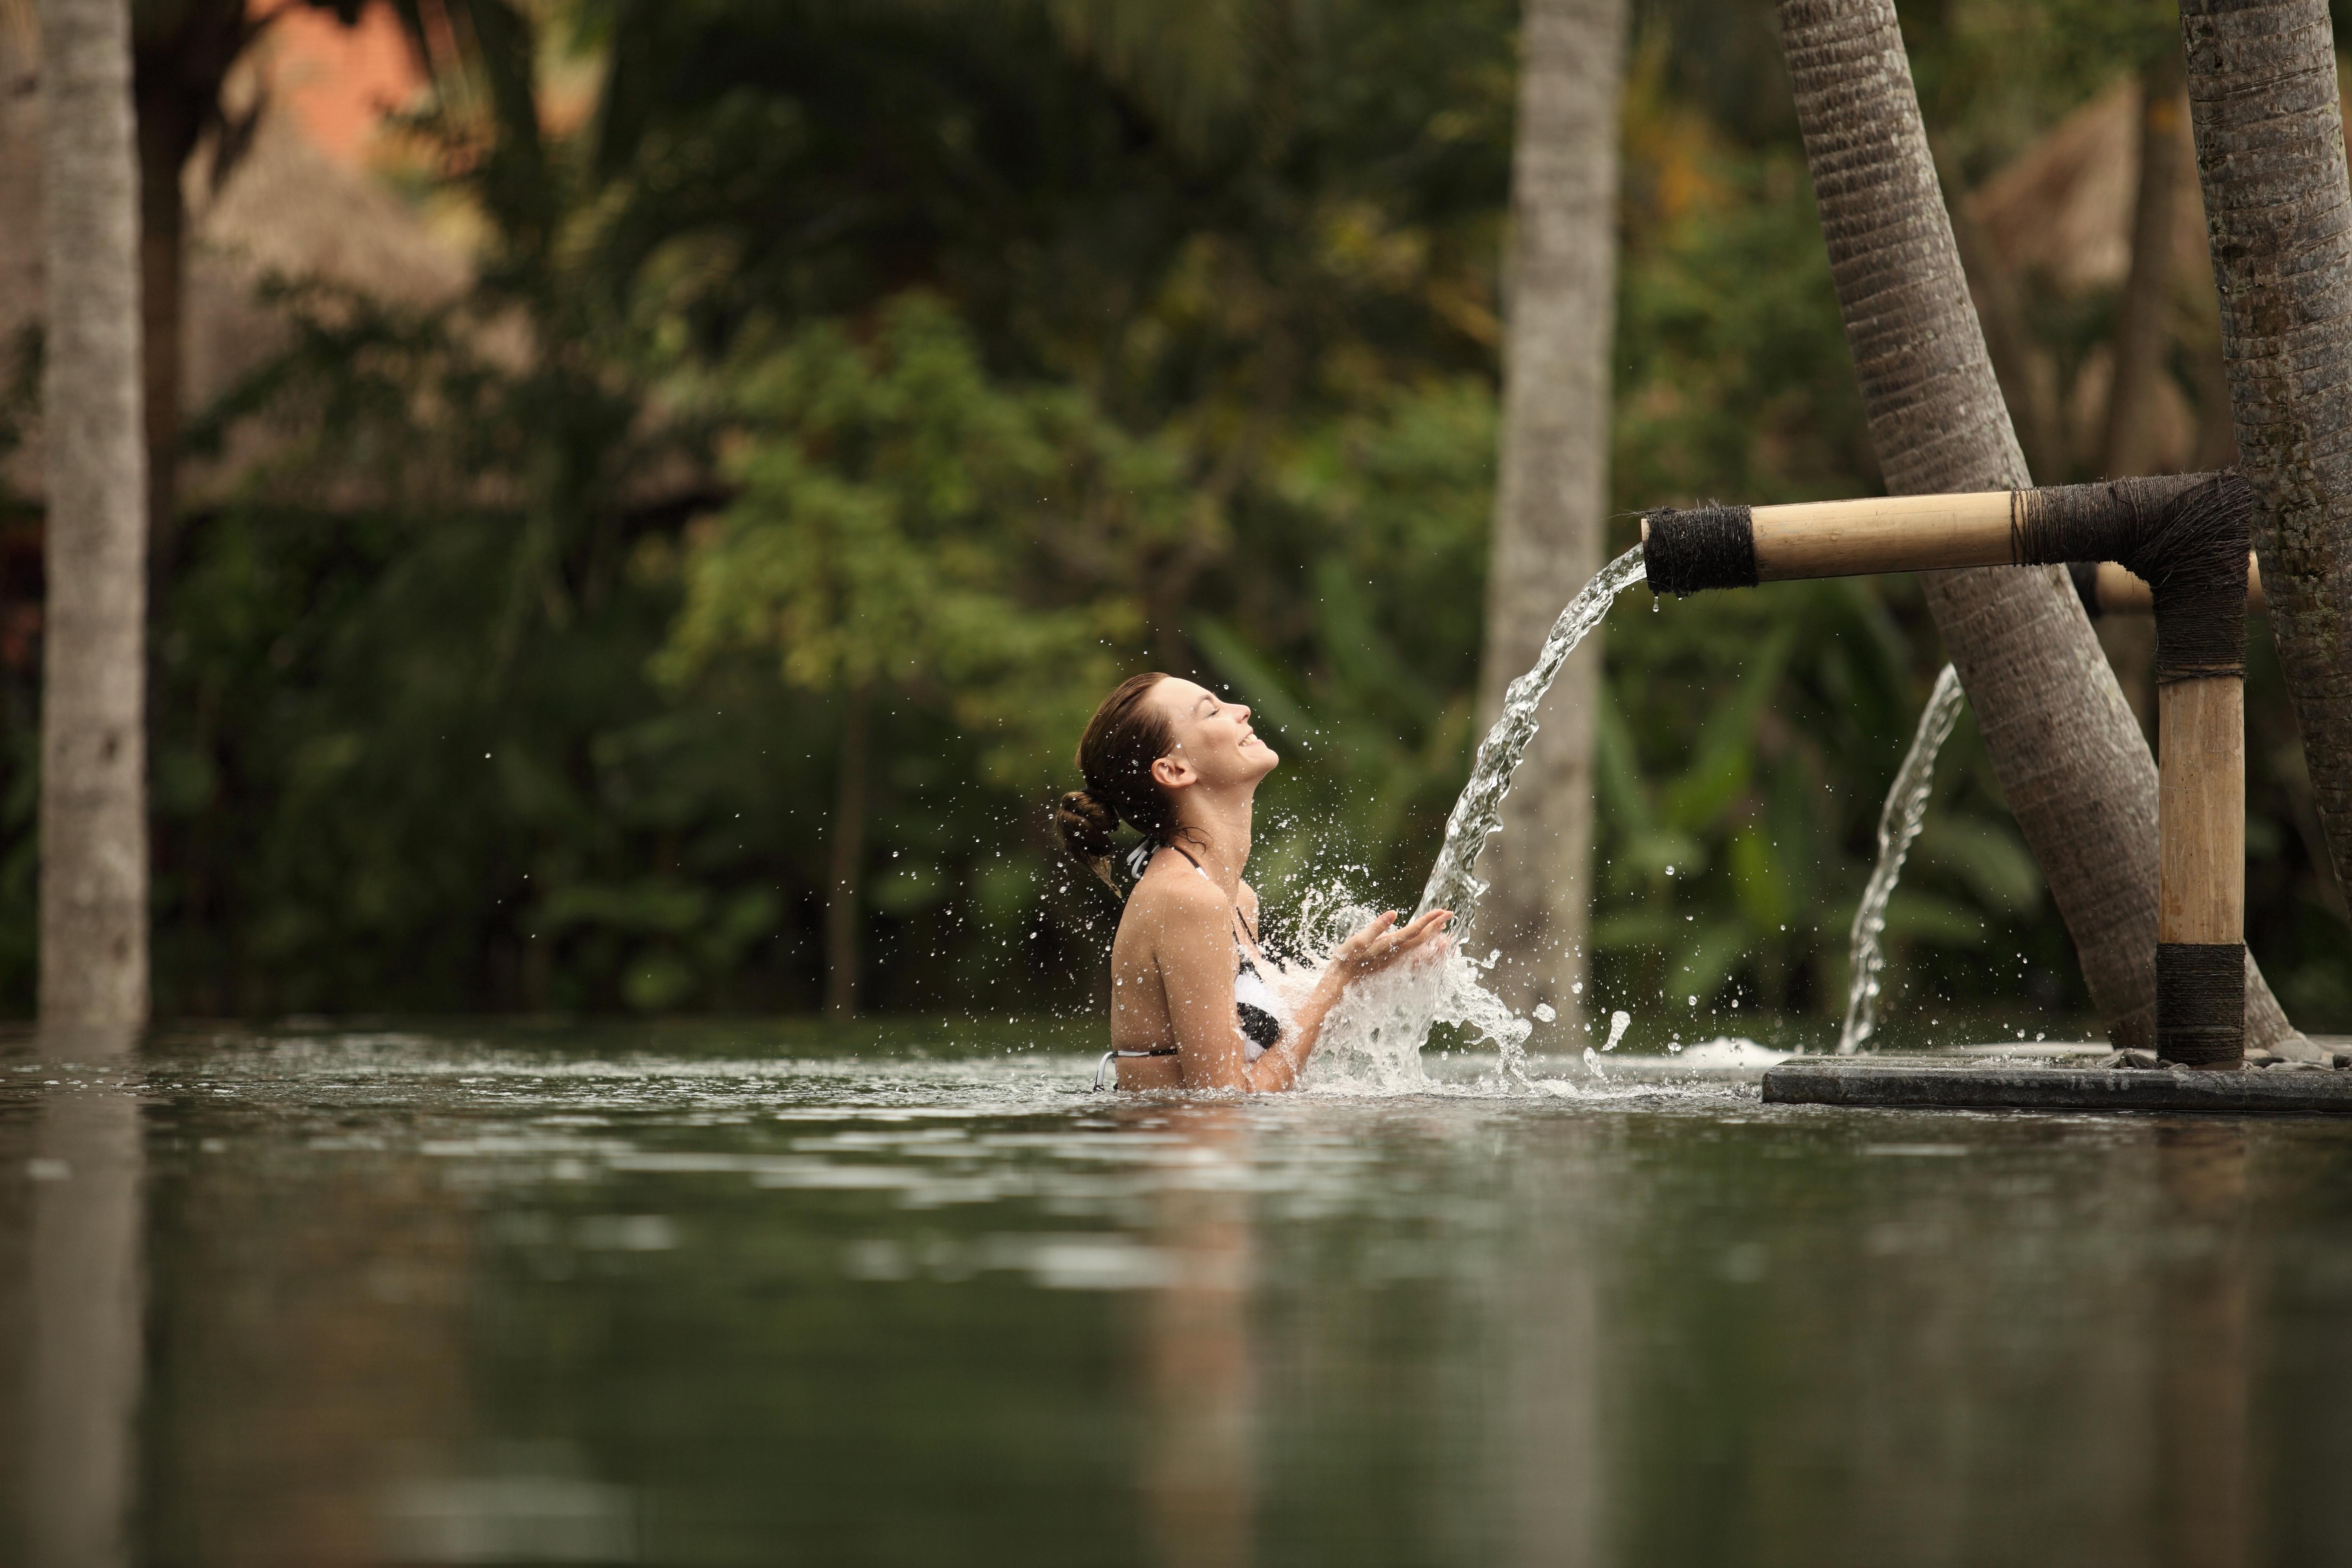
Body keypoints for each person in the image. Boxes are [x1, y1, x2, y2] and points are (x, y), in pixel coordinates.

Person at [1054, 672, 1452, 1091]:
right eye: (1212, 711)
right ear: (1174, 771)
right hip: (1183, 1153)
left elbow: (1272, 1055)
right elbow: (1228, 1099)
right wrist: (1339, 976)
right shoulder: (1184, 899)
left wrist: (1370, 972)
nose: (1242, 710)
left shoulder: (1236, 898)